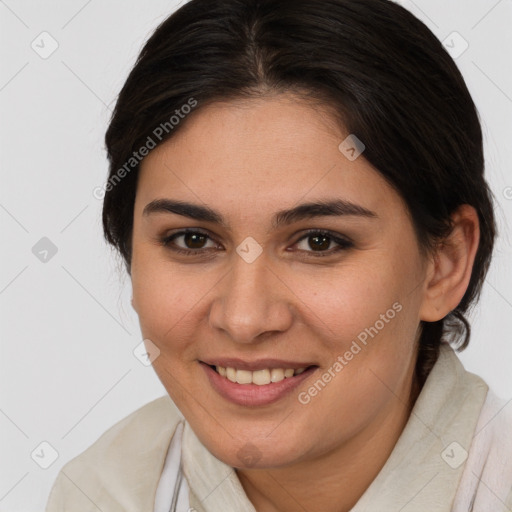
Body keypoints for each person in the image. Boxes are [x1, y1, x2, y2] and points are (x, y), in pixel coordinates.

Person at [45, 0, 512, 510]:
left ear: (443, 264)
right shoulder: (100, 493)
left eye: (319, 241)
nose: (244, 319)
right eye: (193, 240)